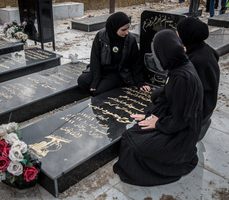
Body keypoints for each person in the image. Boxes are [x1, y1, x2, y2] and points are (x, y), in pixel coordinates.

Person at [113, 29, 203, 186]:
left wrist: (158, 123)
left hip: (182, 134)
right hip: (172, 121)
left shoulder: (182, 78)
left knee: (134, 148)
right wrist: (149, 115)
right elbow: (166, 98)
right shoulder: (177, 66)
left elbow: (182, 120)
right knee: (133, 133)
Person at [77, 12, 150, 96]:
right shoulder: (101, 36)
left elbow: (136, 63)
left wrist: (140, 82)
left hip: (117, 73)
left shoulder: (130, 39)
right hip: (102, 69)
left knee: (99, 91)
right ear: (114, 28)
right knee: (82, 80)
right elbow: (95, 59)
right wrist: (95, 81)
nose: (127, 32)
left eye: (128, 29)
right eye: (123, 30)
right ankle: (97, 97)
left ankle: (102, 97)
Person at [177, 17, 220, 141]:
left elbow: (190, 93)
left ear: (187, 35)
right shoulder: (205, 49)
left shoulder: (196, 61)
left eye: (178, 32)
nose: (176, 35)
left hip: (199, 111)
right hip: (208, 103)